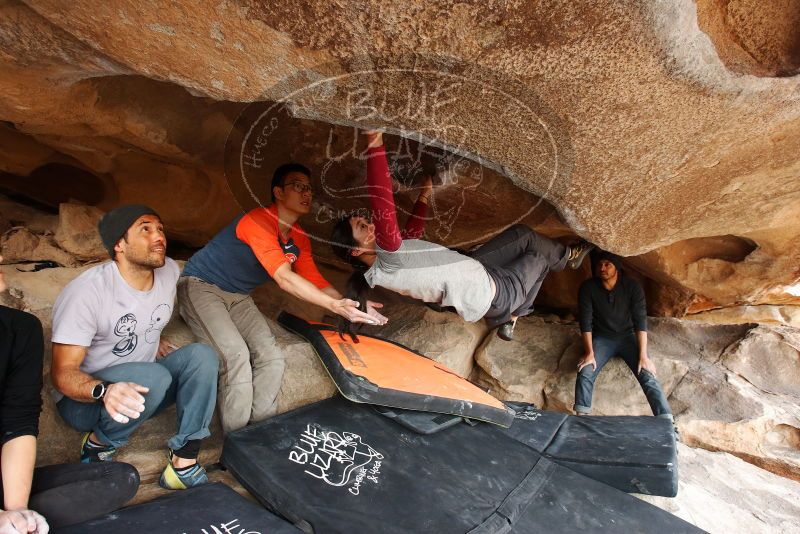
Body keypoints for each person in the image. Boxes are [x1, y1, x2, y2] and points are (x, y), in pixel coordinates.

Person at [178, 163, 386, 433]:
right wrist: (334, 305)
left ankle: (259, 432)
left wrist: (355, 304)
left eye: (309, 188)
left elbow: (315, 279)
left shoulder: (298, 236)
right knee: (235, 356)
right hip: (202, 286)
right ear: (278, 192)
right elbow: (284, 277)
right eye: (297, 186)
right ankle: (236, 440)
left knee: (271, 357)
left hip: (238, 296)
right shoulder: (257, 220)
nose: (306, 193)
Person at [329, 130, 593, 340]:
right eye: (362, 227)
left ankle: (565, 259)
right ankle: (515, 314)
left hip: (476, 269)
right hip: (493, 293)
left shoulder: (392, 259)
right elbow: (382, 199)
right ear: (357, 250)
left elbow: (412, 233)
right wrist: (374, 139)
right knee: (539, 256)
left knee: (523, 235)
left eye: (366, 221)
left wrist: (424, 195)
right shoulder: (387, 260)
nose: (371, 225)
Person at [51, 205, 219, 490]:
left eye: (160, 229)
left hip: (143, 389)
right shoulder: (87, 293)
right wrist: (104, 391)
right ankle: (98, 444)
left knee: (203, 356)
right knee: (156, 377)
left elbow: (146, 312)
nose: (159, 237)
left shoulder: (168, 272)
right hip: (87, 402)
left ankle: (184, 460)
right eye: (145, 229)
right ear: (119, 244)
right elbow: (62, 374)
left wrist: (150, 339)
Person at [0, 255, 139, 532]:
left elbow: (18, 421)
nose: (2, 257)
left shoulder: (20, 328)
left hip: (5, 479)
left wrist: (17, 511)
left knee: (120, 478)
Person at [573, 250, 673, 421]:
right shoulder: (588, 288)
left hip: (627, 338)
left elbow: (641, 322)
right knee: (585, 370)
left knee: (647, 373)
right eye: (599, 264)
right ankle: (582, 418)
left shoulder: (632, 287)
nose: (602, 268)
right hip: (602, 338)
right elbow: (585, 322)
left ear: (616, 267)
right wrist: (589, 352)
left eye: (607, 264)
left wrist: (643, 356)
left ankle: (666, 420)